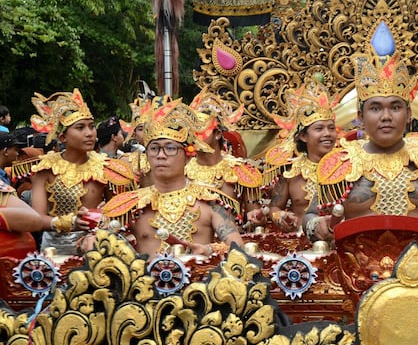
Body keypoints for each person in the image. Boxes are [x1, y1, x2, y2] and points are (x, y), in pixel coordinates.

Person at [308, 48, 418, 241]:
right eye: (375, 108)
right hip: (357, 267)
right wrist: (316, 226)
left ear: (408, 115)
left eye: (395, 107)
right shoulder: (339, 163)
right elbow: (310, 215)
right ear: (360, 118)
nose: (386, 117)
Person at [103, 98, 242, 258]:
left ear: (189, 156)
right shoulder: (130, 206)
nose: (161, 155)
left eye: (170, 148)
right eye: (154, 148)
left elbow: (238, 246)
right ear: (147, 156)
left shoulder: (211, 201)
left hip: (202, 280)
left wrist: (210, 250)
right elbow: (100, 242)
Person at [29, 89, 137, 256]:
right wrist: (71, 222)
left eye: (91, 127)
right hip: (55, 250)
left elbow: (119, 212)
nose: (89, 133)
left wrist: (105, 219)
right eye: (80, 127)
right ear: (62, 137)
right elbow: (36, 219)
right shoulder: (45, 169)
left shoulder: (105, 167)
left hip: (95, 246)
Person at [250, 78, 339, 232]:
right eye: (319, 129)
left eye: (331, 128)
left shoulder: (347, 167)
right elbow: (275, 207)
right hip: (300, 243)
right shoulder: (291, 173)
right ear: (303, 136)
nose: (327, 134)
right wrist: (280, 217)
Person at [188, 89, 262, 219]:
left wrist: (257, 218)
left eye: (200, 129)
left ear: (217, 134)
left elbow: (257, 218)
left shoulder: (239, 170)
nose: (194, 135)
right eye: (191, 129)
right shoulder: (181, 172)